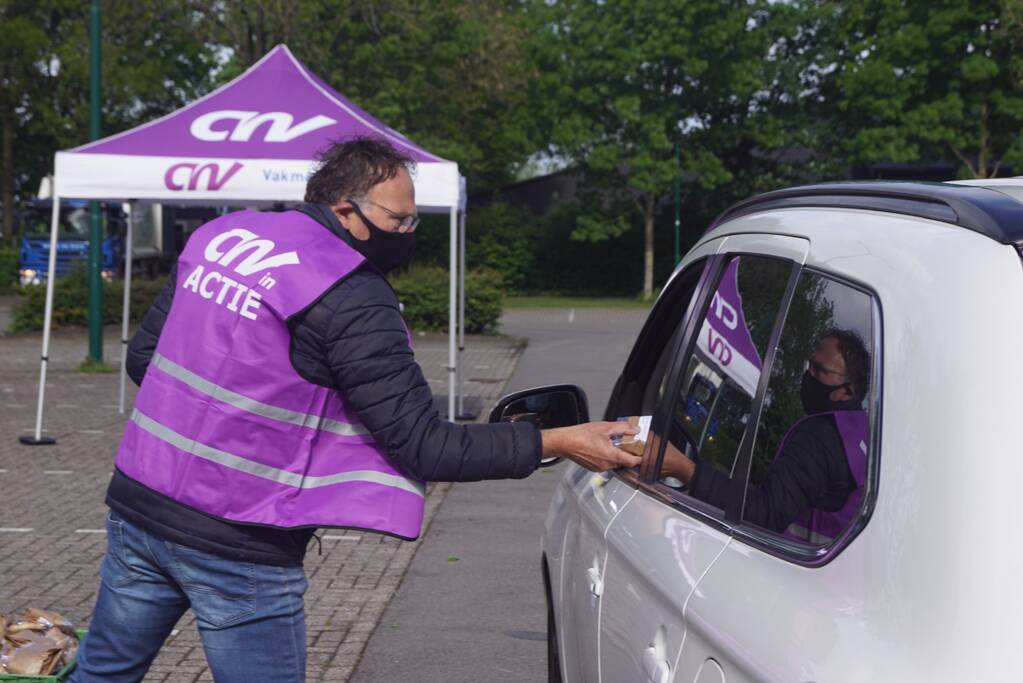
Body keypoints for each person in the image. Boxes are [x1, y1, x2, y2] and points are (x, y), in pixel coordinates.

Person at [69, 137, 640, 683]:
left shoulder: (222, 235)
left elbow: (146, 359)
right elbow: (425, 445)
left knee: (103, 672)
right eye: (400, 221)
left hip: (138, 508)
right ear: (346, 210)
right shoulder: (352, 294)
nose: (409, 234)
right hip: (239, 542)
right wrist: (559, 441)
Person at [662, 329, 870, 537]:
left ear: (847, 391)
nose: (808, 374)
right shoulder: (864, 441)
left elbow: (764, 516)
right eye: (810, 364)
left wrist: (684, 469)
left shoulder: (820, 437)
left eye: (819, 369)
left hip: (777, 552)